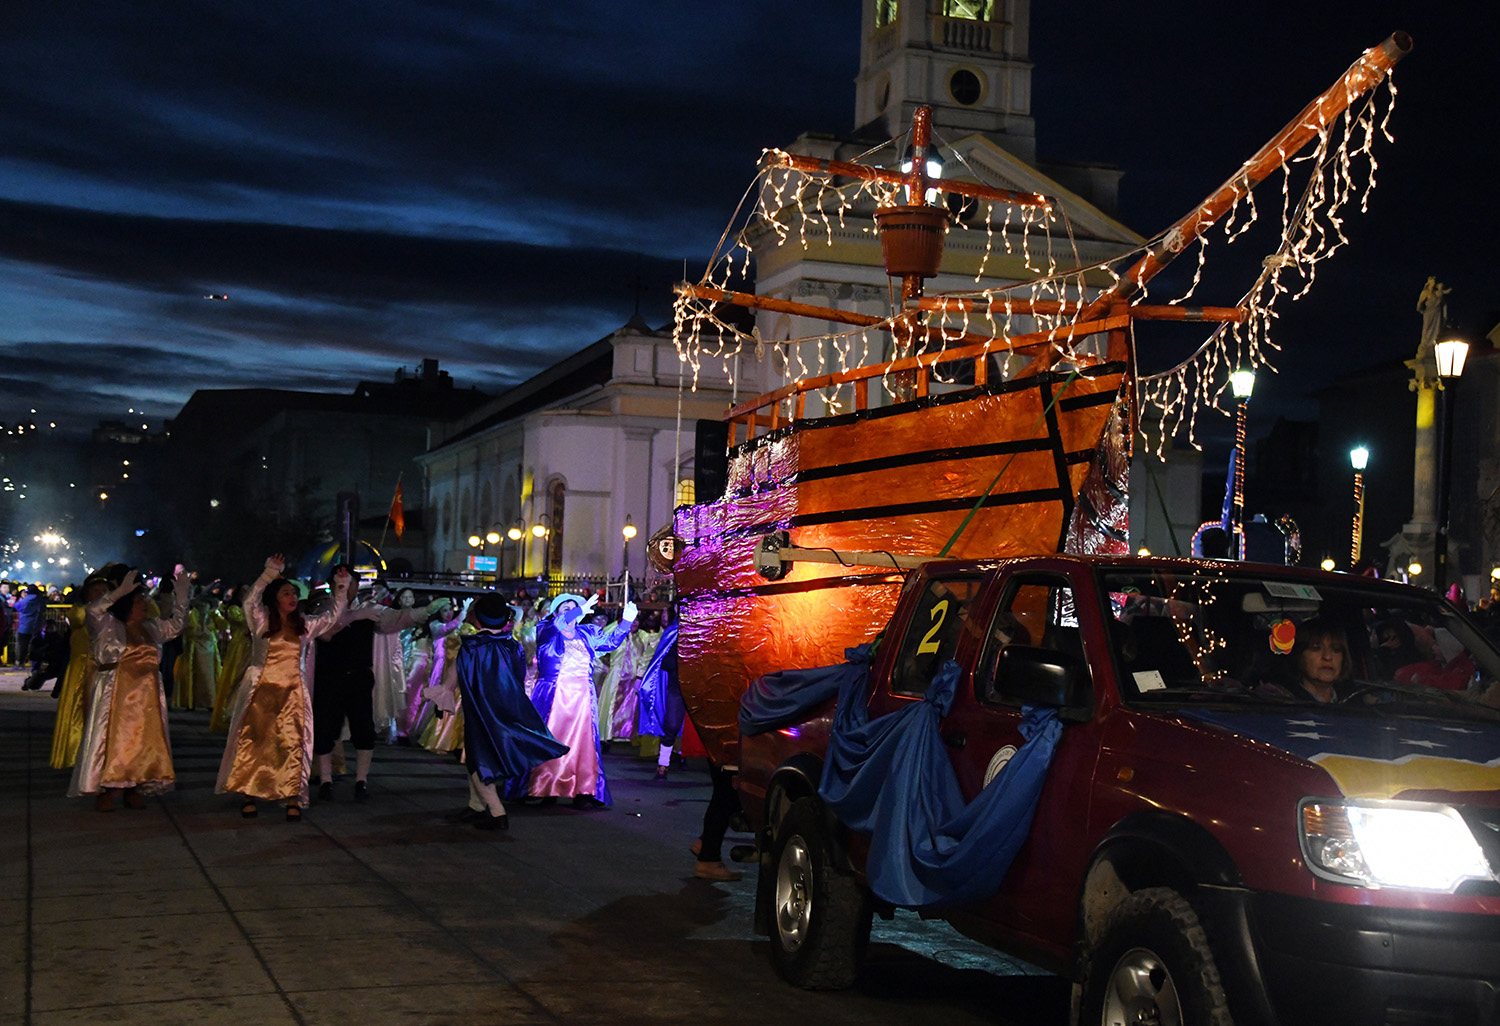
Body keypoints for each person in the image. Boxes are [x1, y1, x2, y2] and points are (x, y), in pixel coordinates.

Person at [215, 555, 350, 821]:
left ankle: (292, 797)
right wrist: (268, 573)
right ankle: (248, 794)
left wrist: (341, 587)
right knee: (254, 743)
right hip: (261, 692)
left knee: (292, 744)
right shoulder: (261, 620)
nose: (292, 597)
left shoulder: (304, 626)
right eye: (286, 593)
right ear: (275, 597)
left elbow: (333, 616)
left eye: (294, 593)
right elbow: (249, 600)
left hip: (292, 693)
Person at [312, 571, 446, 802]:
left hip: (359, 677)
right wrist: (352, 615)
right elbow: (324, 631)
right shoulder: (322, 609)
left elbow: (397, 618)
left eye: (349, 583)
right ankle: (326, 780)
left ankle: (361, 781)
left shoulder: (370, 610)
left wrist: (426, 610)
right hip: (329, 678)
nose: (344, 587)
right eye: (339, 583)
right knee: (325, 729)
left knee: (363, 729)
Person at [67, 566, 191, 810]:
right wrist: (116, 593)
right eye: (138, 600)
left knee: (141, 741)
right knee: (111, 739)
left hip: (146, 696)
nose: (144, 604)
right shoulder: (108, 626)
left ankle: (133, 787)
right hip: (116, 692)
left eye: (143, 599)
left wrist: (183, 596)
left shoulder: (152, 628)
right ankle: (105, 789)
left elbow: (177, 625)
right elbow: (93, 610)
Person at [451, 594, 568, 830]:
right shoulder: (511, 645)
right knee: (478, 755)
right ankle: (476, 805)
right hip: (505, 707)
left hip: (481, 710)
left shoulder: (472, 647)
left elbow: (464, 679)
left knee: (478, 760)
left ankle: (497, 812)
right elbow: (519, 676)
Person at [529, 592, 636, 808]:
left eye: (574, 608)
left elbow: (611, 643)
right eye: (565, 609)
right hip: (555, 696)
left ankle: (583, 790)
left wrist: (627, 621)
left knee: (582, 744)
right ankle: (547, 787)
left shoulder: (588, 632)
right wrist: (578, 610)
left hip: (582, 698)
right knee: (552, 739)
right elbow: (559, 624)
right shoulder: (547, 629)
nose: (571, 613)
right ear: (556, 612)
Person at [49, 569, 116, 769]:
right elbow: (79, 619)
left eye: (104, 590)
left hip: (104, 672)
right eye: (96, 590)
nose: (101, 594)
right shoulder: (80, 612)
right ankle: (77, 754)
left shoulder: (111, 617)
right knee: (80, 713)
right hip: (81, 671)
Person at [13, 584, 45, 668]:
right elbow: (43, 608)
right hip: (37, 626)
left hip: (24, 627)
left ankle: (21, 663)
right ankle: (35, 663)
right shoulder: (40, 600)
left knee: (23, 645)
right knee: (36, 645)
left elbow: (17, 606)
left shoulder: (25, 600)